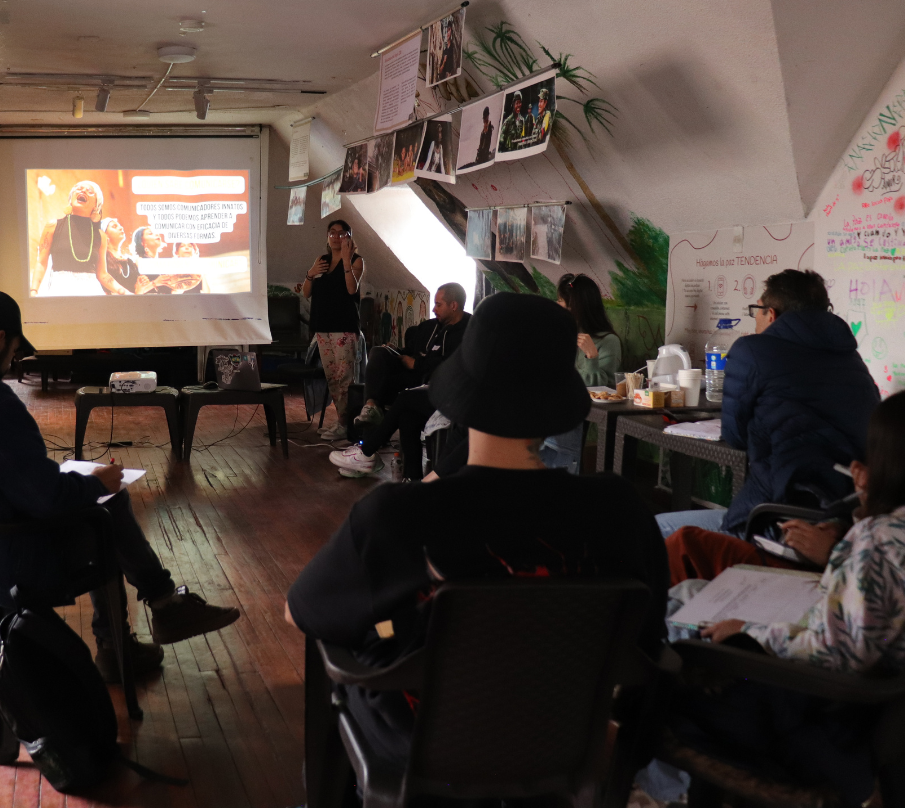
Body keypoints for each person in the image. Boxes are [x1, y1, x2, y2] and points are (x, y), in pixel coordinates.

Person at [287, 292, 669, 773]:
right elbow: (648, 640)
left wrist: (385, 627)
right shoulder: (621, 512)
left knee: (361, 644)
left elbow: (303, 611)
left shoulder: (397, 515)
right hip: (572, 743)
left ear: (461, 395)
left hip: (423, 747)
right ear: (559, 401)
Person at [0, 288, 240, 677]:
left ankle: (156, 610)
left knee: (94, 503)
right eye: (13, 349)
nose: (14, 359)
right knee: (107, 509)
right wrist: (98, 483)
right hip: (2, 566)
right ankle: (129, 637)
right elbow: (46, 499)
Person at [660, 388, 905, 806]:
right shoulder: (898, 534)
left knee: (680, 618)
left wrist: (751, 633)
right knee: (690, 591)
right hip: (864, 700)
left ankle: (671, 779)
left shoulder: (880, 540)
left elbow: (838, 652)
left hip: (814, 712)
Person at [656, 269, 879, 539]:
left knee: (652, 529)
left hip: (774, 521)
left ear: (771, 314)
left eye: (756, 311)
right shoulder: (852, 358)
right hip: (843, 521)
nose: (756, 320)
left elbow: (734, 436)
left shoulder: (751, 350)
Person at [330, 284, 470, 480]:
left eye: (438, 305)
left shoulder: (469, 331)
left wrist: (418, 364)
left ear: (454, 305)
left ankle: (366, 452)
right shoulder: (432, 327)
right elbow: (415, 351)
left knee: (405, 399)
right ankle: (411, 478)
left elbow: (452, 364)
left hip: (451, 393)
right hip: (425, 384)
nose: (433, 309)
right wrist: (397, 352)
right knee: (406, 414)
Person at [540, 273, 622, 473]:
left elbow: (602, 388)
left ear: (577, 308)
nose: (557, 305)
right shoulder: (563, 334)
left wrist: (591, 357)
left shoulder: (608, 341)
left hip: (583, 413)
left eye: (561, 301)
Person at [302, 220, 364, 441]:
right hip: (322, 326)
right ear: (327, 236)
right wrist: (310, 273)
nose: (336, 237)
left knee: (345, 378)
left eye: (341, 233)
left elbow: (351, 288)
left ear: (349, 236)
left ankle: (346, 424)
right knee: (332, 378)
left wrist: (346, 261)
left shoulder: (356, 261)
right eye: (332, 233)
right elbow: (306, 293)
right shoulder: (322, 261)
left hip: (344, 327)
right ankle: (341, 421)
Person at [30, 180, 110, 296]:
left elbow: (102, 274)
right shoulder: (53, 226)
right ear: (71, 198)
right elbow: (41, 263)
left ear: (95, 205)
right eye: (78, 188)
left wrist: (123, 291)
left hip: (92, 293)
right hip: (61, 290)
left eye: (90, 191)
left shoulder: (100, 235)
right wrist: (33, 290)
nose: (82, 190)